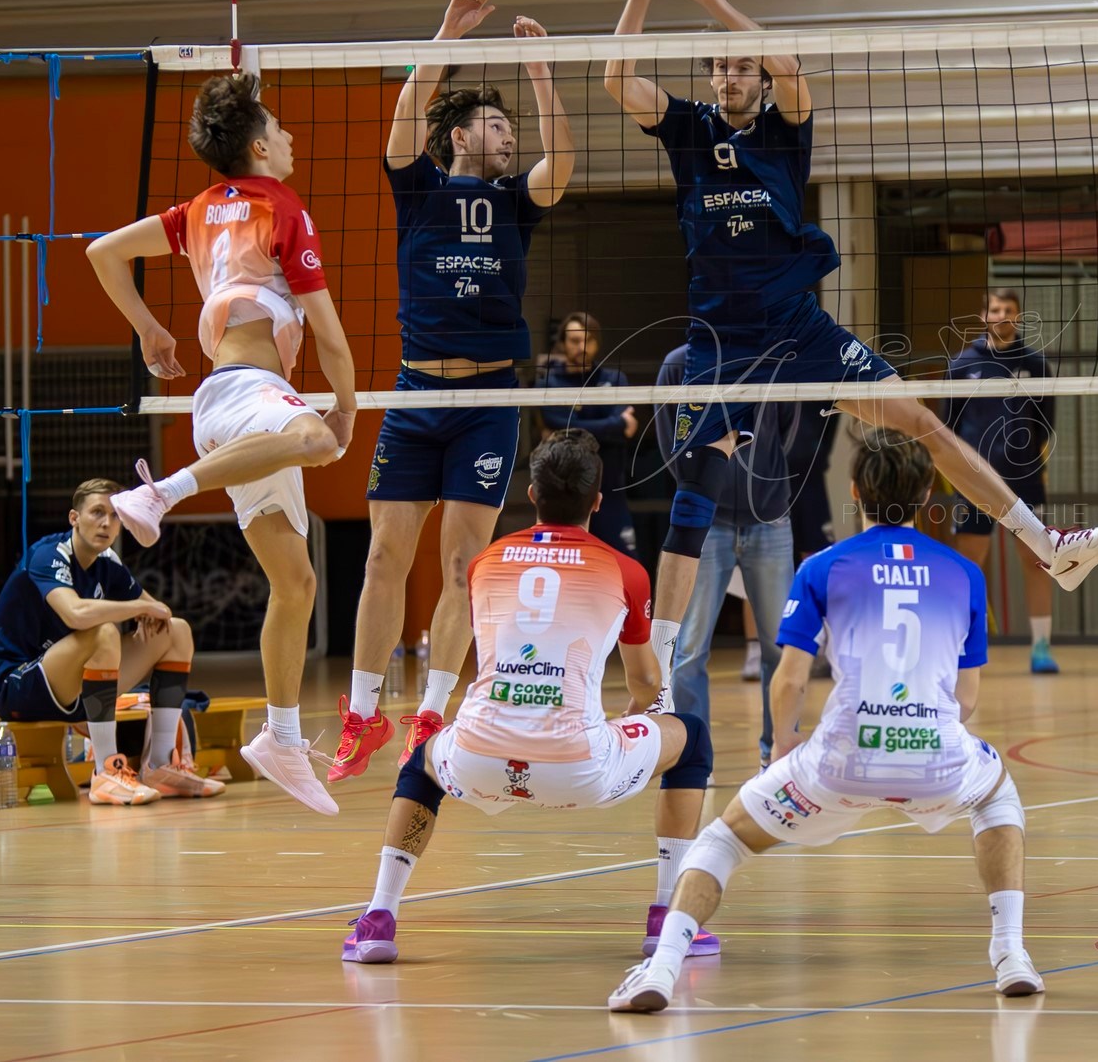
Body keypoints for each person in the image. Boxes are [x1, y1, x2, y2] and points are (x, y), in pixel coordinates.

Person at [602, 0, 1098, 708]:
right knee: (694, 504)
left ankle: (1048, 544)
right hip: (720, 340)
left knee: (924, 422)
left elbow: (789, 62)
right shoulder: (687, 130)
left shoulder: (786, 131)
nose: (730, 75)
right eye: (719, 67)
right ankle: (660, 686)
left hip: (799, 330)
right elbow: (615, 79)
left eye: (741, 66)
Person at [607, 429, 1043, 1012]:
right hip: (937, 760)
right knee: (998, 800)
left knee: (722, 840)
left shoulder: (823, 566)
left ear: (856, 490)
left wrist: (784, 749)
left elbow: (788, 680)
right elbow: (966, 699)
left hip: (838, 762)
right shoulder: (965, 573)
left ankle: (660, 970)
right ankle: (1011, 955)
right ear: (925, 495)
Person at [88, 73, 359, 814]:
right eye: (283, 127)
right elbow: (330, 334)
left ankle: (278, 733)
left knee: (296, 582)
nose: (295, 138)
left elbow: (103, 253)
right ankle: (162, 492)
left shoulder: (196, 211)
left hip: (225, 407)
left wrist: (147, 326)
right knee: (312, 437)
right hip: (252, 400)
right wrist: (345, 410)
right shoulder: (283, 207)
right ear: (262, 145)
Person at [340, 431, 718, 962]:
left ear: (533, 496)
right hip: (579, 769)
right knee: (692, 738)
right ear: (597, 502)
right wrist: (639, 718)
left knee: (419, 764)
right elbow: (644, 686)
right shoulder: (625, 572)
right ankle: (667, 919)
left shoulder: (484, 563)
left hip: (476, 760)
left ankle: (379, 917)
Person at [331, 0, 576, 783]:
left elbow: (563, 164)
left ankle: (432, 712)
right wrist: (444, 33)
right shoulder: (420, 187)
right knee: (382, 561)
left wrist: (540, 76)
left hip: (488, 401)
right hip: (414, 396)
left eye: (511, 126)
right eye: (497, 124)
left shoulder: (515, 201)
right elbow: (404, 116)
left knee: (463, 563)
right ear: (459, 133)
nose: (508, 138)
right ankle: (362, 714)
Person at [0, 479, 223, 805]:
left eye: (115, 516)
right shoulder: (47, 555)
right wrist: (138, 607)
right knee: (103, 632)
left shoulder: (107, 562)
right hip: (18, 684)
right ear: (74, 518)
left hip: (74, 687)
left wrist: (151, 608)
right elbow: (76, 614)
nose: (106, 523)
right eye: (97, 513)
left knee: (177, 631)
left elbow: (160, 614)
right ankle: (106, 771)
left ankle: (162, 765)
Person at [653, 342, 794, 766]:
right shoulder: (679, 363)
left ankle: (778, 754)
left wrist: (765, 487)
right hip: (706, 524)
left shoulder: (774, 361)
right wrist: (703, 492)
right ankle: (693, 756)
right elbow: (667, 443)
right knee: (690, 648)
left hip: (768, 517)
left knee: (779, 646)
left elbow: (788, 431)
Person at [943, 288, 1059, 674]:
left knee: (1037, 559)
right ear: (984, 316)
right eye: (996, 309)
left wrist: (1026, 459)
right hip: (974, 479)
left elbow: (1046, 422)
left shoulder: (1035, 363)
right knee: (970, 562)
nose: (1002, 316)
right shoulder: (961, 364)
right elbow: (950, 426)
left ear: (1018, 316)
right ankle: (961, 644)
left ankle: (1041, 647)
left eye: (1010, 310)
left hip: (1023, 479)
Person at [538, 311, 640, 560]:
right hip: (566, 497)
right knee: (568, 569)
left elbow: (627, 430)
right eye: (574, 340)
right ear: (562, 342)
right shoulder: (548, 383)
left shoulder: (614, 379)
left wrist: (573, 428)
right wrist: (614, 423)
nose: (582, 346)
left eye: (589, 340)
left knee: (624, 563)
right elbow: (555, 422)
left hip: (610, 493)